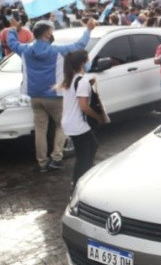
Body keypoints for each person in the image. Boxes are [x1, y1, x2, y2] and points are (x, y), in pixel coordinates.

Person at [8, 17, 97, 172]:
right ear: (46, 34)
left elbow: (12, 43)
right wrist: (88, 29)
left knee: (40, 130)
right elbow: (80, 45)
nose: (52, 34)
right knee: (61, 126)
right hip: (54, 96)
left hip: (35, 95)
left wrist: (13, 29)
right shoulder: (57, 51)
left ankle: (41, 162)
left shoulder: (26, 50)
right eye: (50, 32)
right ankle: (56, 158)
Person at [59, 50, 103, 188]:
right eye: (87, 60)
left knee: (90, 148)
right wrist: (98, 117)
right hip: (78, 124)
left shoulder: (70, 79)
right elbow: (83, 107)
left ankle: (84, 178)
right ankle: (77, 184)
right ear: (82, 63)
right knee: (84, 157)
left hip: (70, 122)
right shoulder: (81, 81)